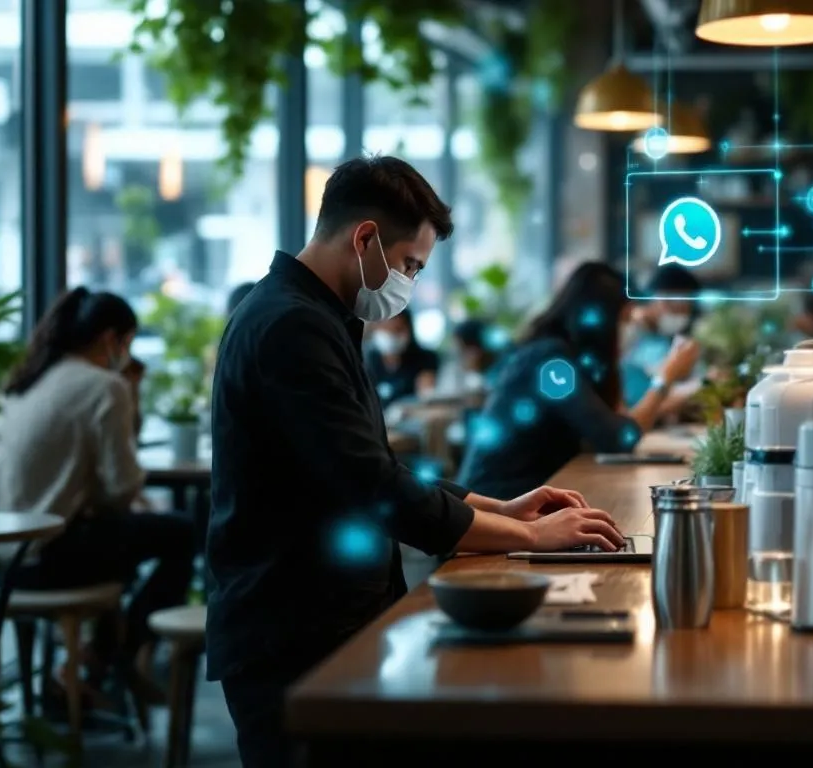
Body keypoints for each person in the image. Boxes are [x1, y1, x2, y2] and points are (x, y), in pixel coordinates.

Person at [207, 155, 623, 768]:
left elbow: (368, 464)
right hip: (290, 626)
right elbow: (372, 487)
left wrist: (497, 508)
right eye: (409, 265)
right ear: (365, 238)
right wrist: (530, 534)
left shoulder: (318, 317)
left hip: (321, 615)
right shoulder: (290, 326)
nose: (411, 284)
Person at [0, 288, 194, 700]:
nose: (129, 357)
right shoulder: (103, 386)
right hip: (45, 556)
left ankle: (87, 666)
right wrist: (130, 395)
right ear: (110, 339)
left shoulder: (29, 379)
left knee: (125, 542)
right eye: (128, 344)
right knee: (182, 532)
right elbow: (122, 489)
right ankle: (111, 658)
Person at [456, 262, 700, 500]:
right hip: (496, 505)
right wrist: (665, 378)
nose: (628, 329)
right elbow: (617, 440)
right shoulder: (551, 363)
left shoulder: (569, 359)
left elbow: (618, 423)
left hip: (529, 495)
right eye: (624, 319)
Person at [622, 264, 701, 408]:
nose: (678, 312)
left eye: (685, 307)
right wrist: (696, 387)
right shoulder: (628, 336)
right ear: (651, 298)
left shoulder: (666, 340)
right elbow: (642, 402)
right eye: (671, 304)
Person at [364, 306, 440, 405]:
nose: (391, 335)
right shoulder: (368, 361)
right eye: (386, 329)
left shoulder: (425, 359)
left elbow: (426, 397)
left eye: (397, 329)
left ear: (409, 330)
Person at [452, 318, 502, 389]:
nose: (460, 358)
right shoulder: (502, 370)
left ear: (474, 351)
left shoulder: (499, 380)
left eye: (460, 351)